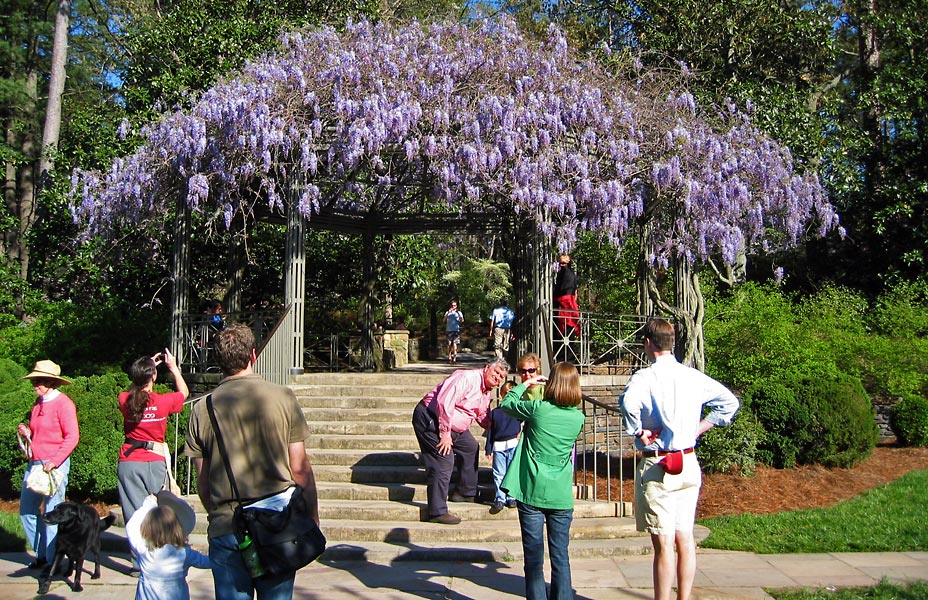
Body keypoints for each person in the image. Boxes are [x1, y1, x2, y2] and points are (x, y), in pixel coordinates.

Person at [185, 323, 319, 600]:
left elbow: (204, 482)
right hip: (277, 524)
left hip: (228, 525)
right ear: (253, 355)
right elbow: (299, 468)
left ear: (218, 361)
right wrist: (311, 514)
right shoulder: (283, 397)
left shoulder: (201, 409)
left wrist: (218, 516)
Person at [619, 318, 739, 600]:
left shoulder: (644, 378)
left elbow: (627, 404)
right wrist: (699, 427)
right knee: (685, 537)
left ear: (648, 343)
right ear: (671, 343)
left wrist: (639, 431)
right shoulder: (692, 376)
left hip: (659, 464)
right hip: (687, 462)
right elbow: (729, 403)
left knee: (663, 544)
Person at [500, 362, 585, 600]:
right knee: (561, 556)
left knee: (534, 558)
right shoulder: (578, 418)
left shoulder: (539, 409)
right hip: (561, 494)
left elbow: (506, 403)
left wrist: (526, 383)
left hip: (532, 489)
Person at [412, 358, 509, 524]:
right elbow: (444, 403)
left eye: (501, 376)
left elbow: (482, 416)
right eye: (496, 372)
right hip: (431, 418)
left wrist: (503, 427)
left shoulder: (486, 392)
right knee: (444, 460)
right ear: (487, 368)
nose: (497, 378)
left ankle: (465, 492)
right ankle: (436, 511)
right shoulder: (466, 378)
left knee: (470, 447)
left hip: (456, 428)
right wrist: (445, 433)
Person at [118, 349, 190, 574]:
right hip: (156, 460)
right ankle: (163, 556)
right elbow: (184, 393)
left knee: (134, 513)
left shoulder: (125, 399)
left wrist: (146, 368)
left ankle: (139, 563)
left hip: (130, 461)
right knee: (162, 511)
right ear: (154, 377)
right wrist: (173, 368)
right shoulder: (163, 401)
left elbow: (133, 390)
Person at [17, 360, 80, 571]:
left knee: (53, 513)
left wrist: (55, 461)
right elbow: (40, 433)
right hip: (35, 464)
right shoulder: (38, 403)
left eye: (39, 381)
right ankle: (42, 555)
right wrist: (28, 433)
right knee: (27, 510)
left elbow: (72, 436)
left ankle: (53, 562)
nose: (35, 384)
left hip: (55, 466)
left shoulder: (64, 404)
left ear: (52, 382)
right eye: (34, 381)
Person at [126, 491, 211, 600]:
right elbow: (208, 562)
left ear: (147, 529)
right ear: (177, 528)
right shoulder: (185, 553)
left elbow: (131, 526)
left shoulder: (144, 550)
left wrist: (150, 502)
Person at [485, 380, 520, 514]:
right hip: (499, 445)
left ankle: (511, 497)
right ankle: (500, 498)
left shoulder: (517, 410)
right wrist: (488, 448)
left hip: (512, 443)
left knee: (511, 471)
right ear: (502, 394)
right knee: (499, 473)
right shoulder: (496, 413)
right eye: (507, 394)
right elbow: (491, 432)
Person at [553, 254, 580, 360]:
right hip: (567, 305)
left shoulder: (566, 273)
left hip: (565, 305)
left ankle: (565, 357)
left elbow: (570, 291)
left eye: (564, 263)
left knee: (565, 331)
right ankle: (565, 357)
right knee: (566, 331)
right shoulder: (568, 273)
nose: (562, 265)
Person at [443, 299, 464, 363]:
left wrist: (460, 316)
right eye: (452, 305)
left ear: (456, 306)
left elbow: (462, 321)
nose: (453, 307)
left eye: (454, 305)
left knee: (455, 344)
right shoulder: (447, 312)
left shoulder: (459, 312)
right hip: (449, 330)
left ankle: (454, 358)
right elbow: (444, 320)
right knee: (449, 344)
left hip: (456, 330)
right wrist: (448, 313)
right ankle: (449, 357)